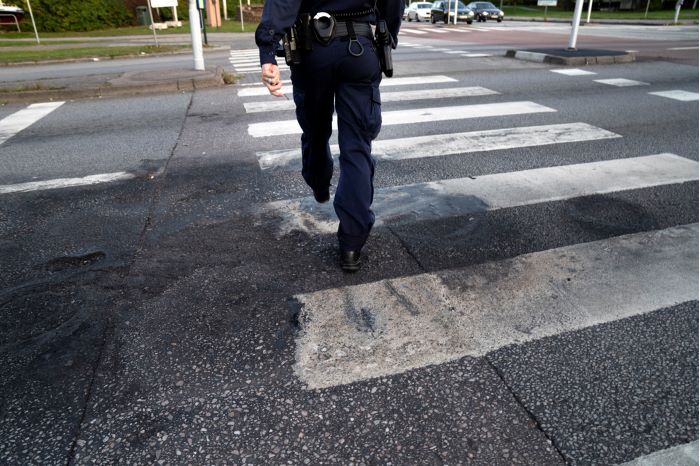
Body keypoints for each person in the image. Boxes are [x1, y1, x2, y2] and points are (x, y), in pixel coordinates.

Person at [255, 0, 403, 272]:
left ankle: (319, 182)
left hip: (312, 51)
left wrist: (267, 54)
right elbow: (393, 3)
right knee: (357, 148)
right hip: (360, 48)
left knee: (315, 130)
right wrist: (389, 34)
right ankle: (351, 244)